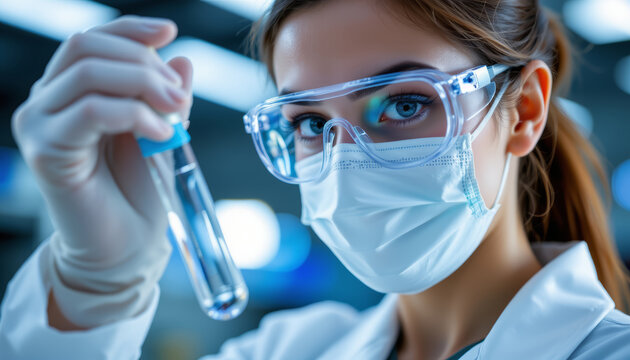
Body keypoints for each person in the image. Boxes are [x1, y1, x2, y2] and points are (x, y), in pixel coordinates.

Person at [2, 0, 630, 358]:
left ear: (522, 112)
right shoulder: (284, 352)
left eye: (405, 104)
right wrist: (93, 285)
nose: (346, 159)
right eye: (307, 121)